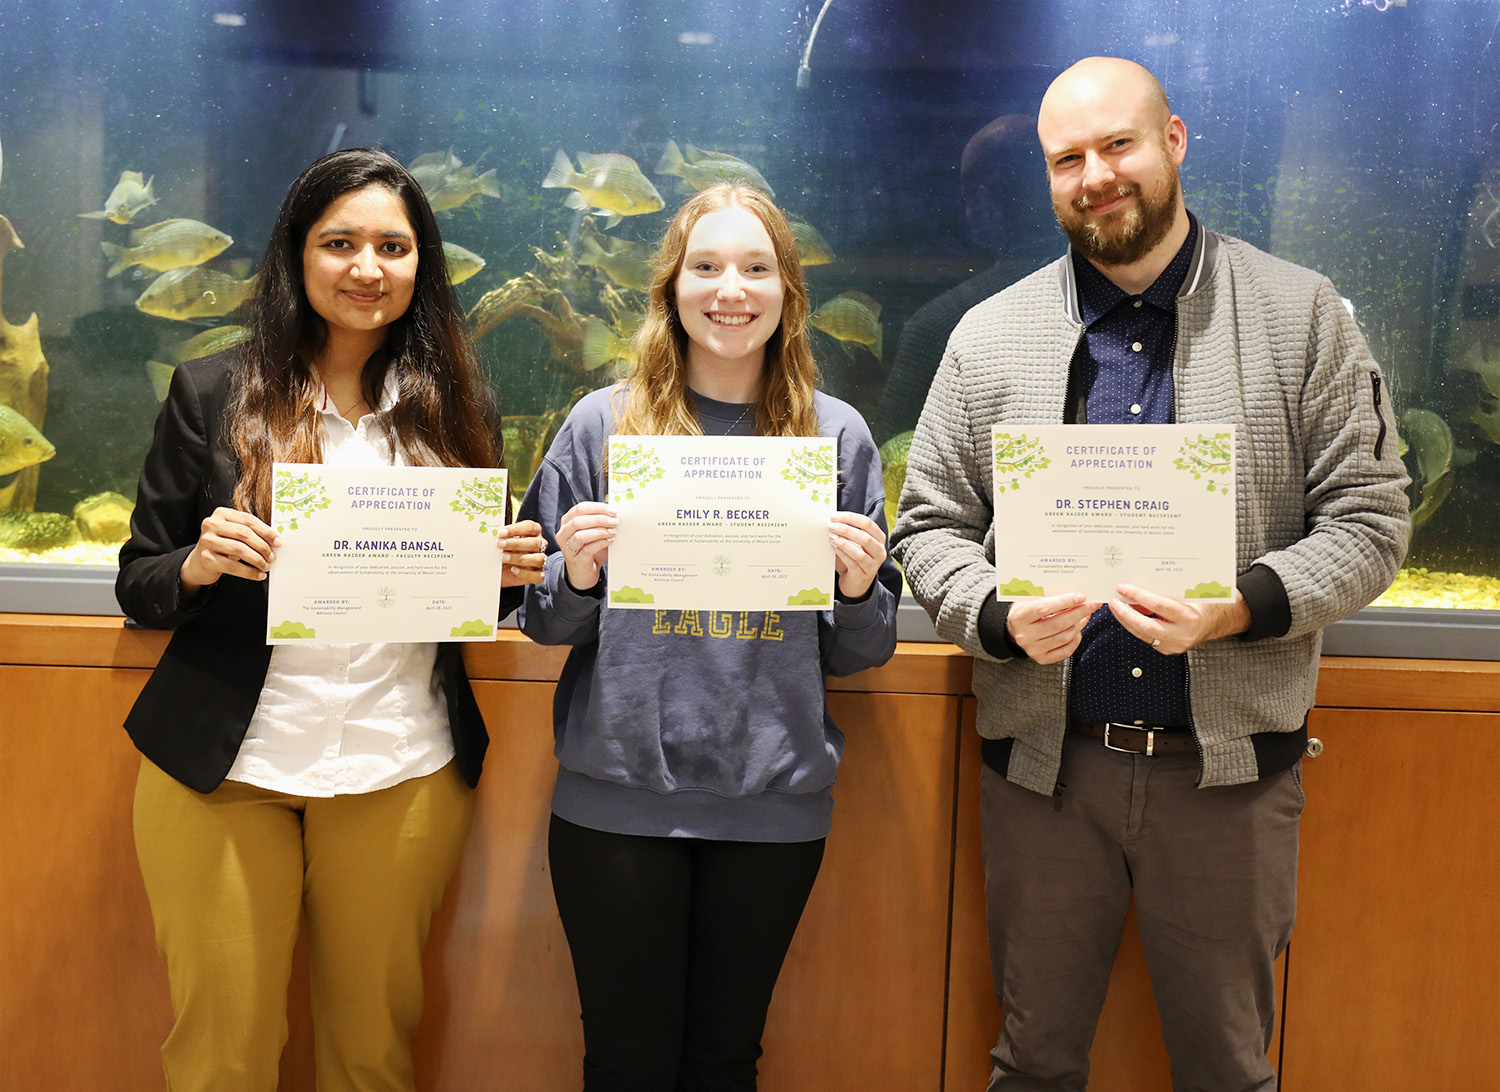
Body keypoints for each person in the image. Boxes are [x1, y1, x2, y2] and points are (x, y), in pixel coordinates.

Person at [890, 57, 1410, 1091]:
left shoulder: (1301, 315)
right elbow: (928, 526)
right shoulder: (987, 337)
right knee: (1030, 1064)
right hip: (1045, 772)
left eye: (1117, 145)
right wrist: (993, 615)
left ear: (1173, 140)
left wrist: (1239, 610)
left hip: (1226, 781)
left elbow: (1370, 520)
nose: (1096, 176)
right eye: (1067, 159)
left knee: (1227, 1071)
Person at [116, 147, 546, 1091]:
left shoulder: (459, 405)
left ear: (420, 265)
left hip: (403, 762)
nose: (367, 267)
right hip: (225, 765)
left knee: (373, 1053)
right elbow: (138, 581)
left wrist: (509, 573)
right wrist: (194, 563)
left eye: (393, 247)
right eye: (340, 242)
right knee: (221, 1056)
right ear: (297, 256)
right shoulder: (210, 390)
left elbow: (468, 597)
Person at [517, 182, 901, 1090]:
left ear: (789, 292)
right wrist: (573, 572)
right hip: (617, 800)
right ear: (672, 287)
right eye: (707, 267)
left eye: (757, 268)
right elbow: (540, 623)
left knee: (727, 1061)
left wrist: (853, 587)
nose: (732, 289)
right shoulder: (602, 424)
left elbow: (863, 650)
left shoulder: (835, 435)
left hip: (771, 802)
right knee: (626, 1062)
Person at [872, 112, 1057, 443]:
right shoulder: (1123, 294)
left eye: (968, 196)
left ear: (984, 202)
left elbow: (890, 454)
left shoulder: (936, 326)